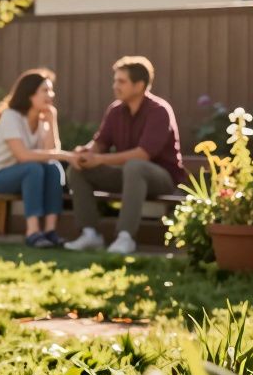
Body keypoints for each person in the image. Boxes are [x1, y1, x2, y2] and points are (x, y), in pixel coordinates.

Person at [64, 56, 185, 255]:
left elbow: (143, 155)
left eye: (121, 81)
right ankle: (90, 234)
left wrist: (100, 159)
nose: (115, 86)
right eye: (115, 80)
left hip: (163, 179)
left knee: (135, 165)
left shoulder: (159, 111)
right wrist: (84, 154)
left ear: (139, 85)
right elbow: (100, 143)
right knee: (78, 170)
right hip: (129, 176)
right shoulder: (115, 110)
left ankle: (125, 237)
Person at [0, 69, 73, 248]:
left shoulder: (43, 120)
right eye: (45, 91)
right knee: (33, 168)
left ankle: (50, 231)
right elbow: (22, 156)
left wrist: (52, 120)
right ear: (30, 94)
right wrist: (64, 155)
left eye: (51, 90)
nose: (51, 95)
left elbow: (50, 153)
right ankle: (32, 232)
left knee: (53, 168)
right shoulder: (11, 116)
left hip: (27, 173)